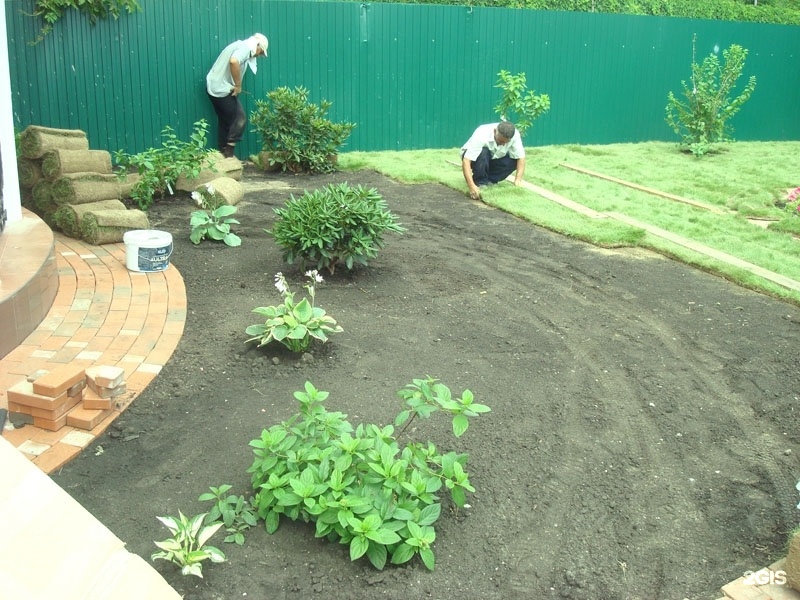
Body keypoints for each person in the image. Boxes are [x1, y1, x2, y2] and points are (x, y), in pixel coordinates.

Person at [206, 33, 269, 158]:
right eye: (261, 52)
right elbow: (234, 61)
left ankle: (223, 153)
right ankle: (228, 154)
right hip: (221, 89)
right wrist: (238, 85)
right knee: (239, 119)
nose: (259, 55)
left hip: (215, 86)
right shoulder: (245, 47)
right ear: (257, 45)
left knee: (225, 120)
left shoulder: (240, 45)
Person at [461, 121, 526, 201]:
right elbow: (466, 160)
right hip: (476, 158)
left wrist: (518, 180)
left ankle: (490, 180)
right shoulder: (482, 133)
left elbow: (521, 158)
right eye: (501, 141)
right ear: (495, 131)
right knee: (484, 152)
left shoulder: (515, 135)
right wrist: (471, 186)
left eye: (506, 142)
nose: (503, 144)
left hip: (494, 159)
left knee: (514, 160)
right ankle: (480, 182)